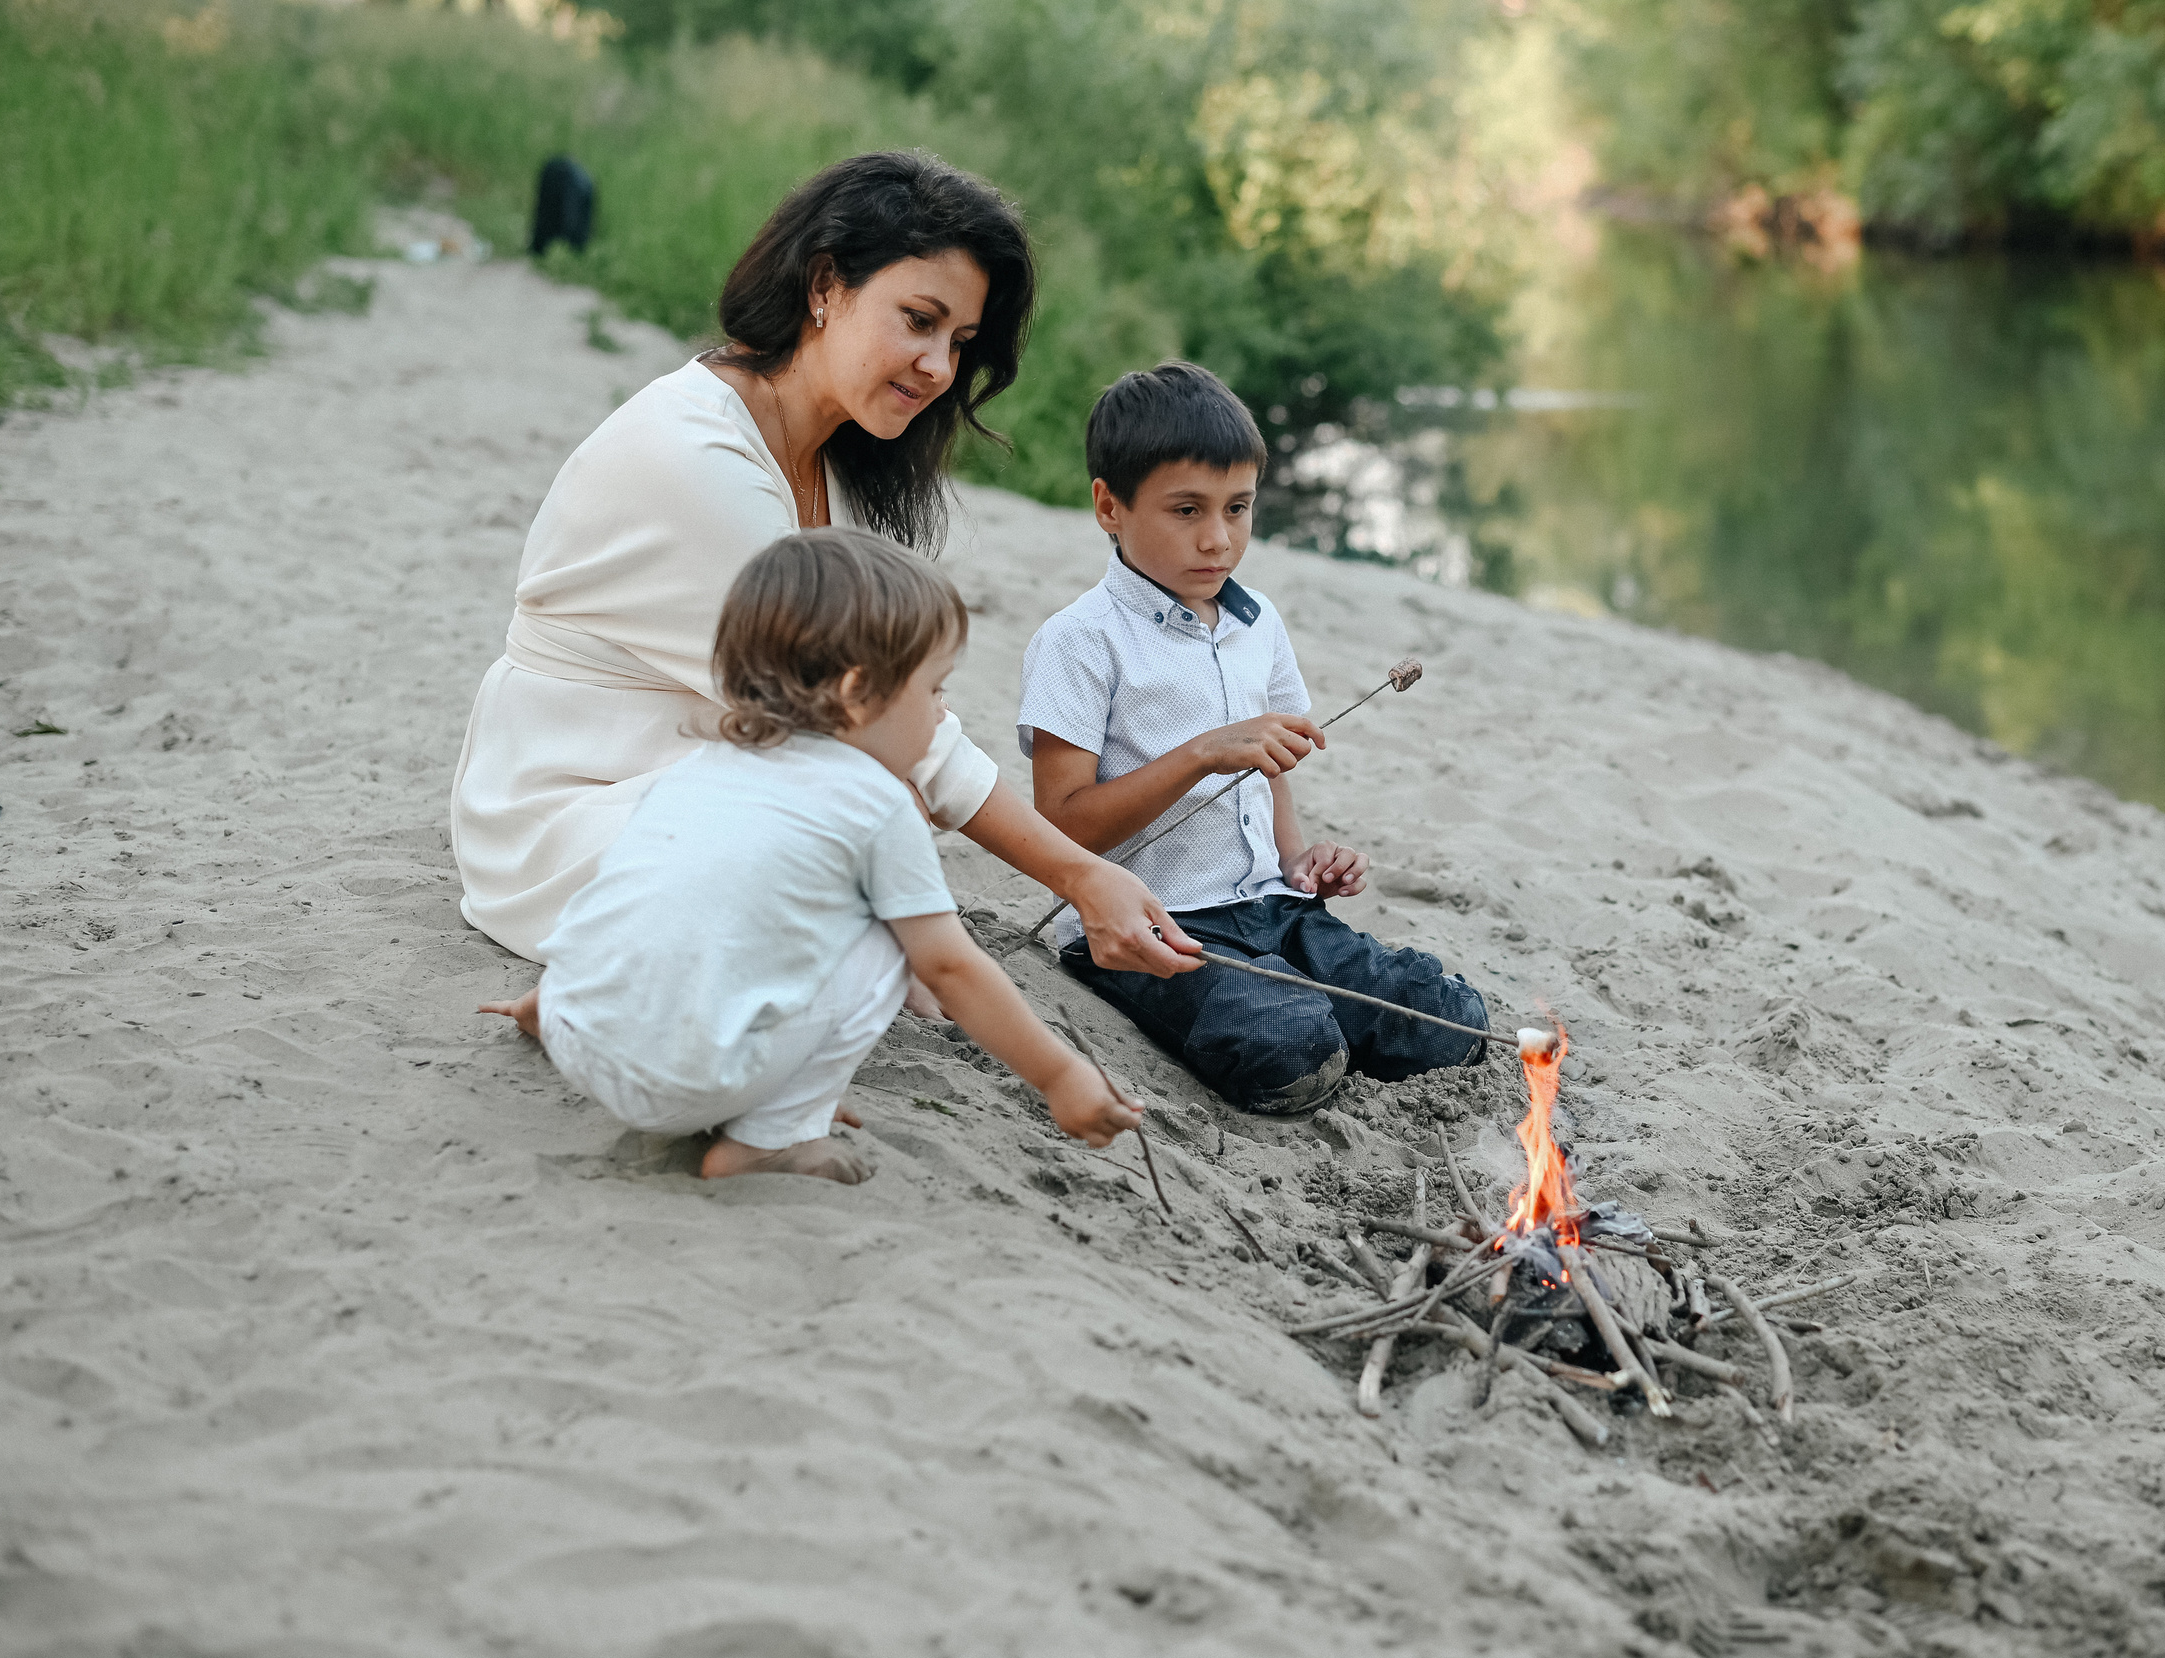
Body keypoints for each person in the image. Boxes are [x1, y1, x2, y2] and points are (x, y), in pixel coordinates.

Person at [450, 150, 1198, 983]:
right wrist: (1081, 875)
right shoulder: (698, 458)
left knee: (874, 808)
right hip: (574, 814)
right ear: (825, 286)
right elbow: (877, 714)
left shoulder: (832, 456)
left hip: (701, 774)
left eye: (959, 342)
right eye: (918, 320)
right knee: (865, 810)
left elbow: (887, 710)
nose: (940, 368)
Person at [480, 529, 1141, 1184]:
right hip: (685, 1087)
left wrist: (554, 1003)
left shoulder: (706, 766)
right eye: (935, 689)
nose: (943, 714)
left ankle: (548, 1008)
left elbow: (630, 900)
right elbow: (949, 968)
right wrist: (1060, 1076)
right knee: (891, 939)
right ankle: (771, 1138)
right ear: (855, 693)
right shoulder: (878, 804)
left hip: (579, 1037)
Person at [1015, 361, 1486, 1114]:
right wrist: (1201, 752)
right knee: (1288, 1044)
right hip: (1150, 925)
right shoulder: (1079, 641)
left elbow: (1270, 768)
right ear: (1109, 506)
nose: (1218, 539)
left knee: (1448, 1017)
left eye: (1238, 508)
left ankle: (1313, 1003)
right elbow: (1063, 828)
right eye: (1186, 510)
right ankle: (1300, 1017)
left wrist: (1296, 861)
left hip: (1271, 908)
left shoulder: (1256, 621)